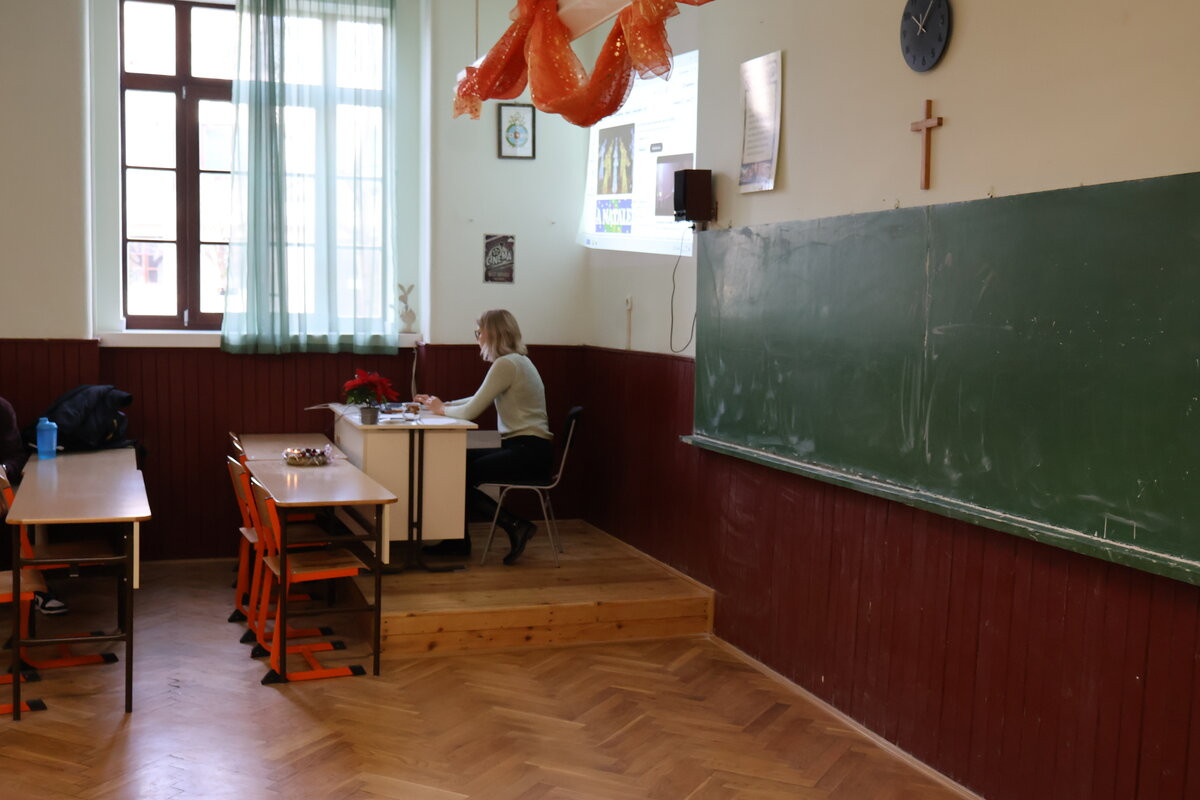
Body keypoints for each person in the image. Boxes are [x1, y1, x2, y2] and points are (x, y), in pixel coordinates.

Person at [416, 310, 553, 565]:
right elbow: (478, 397)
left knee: (458, 474)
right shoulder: (517, 361)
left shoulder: (506, 364)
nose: (477, 338)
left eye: (479, 332)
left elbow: (471, 411)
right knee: (456, 466)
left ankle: (514, 525)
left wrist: (441, 409)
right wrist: (441, 405)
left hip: (528, 452)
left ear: (492, 334)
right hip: (530, 448)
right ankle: (459, 540)